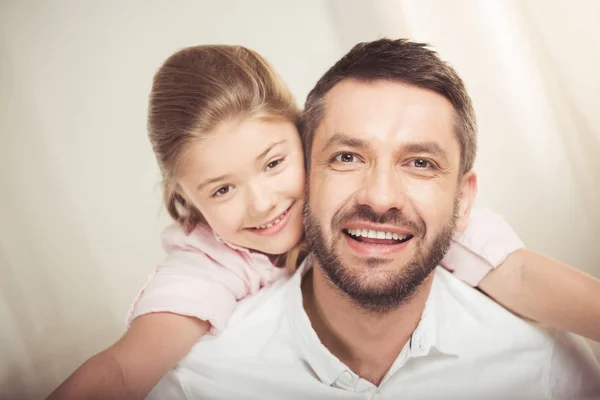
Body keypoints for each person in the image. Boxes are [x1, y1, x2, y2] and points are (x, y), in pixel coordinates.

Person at [48, 43, 600, 400]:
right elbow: (124, 370)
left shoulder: (532, 352)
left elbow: (523, 277)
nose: (263, 204)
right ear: (188, 203)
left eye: (273, 164)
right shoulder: (205, 278)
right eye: (347, 157)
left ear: (299, 143)